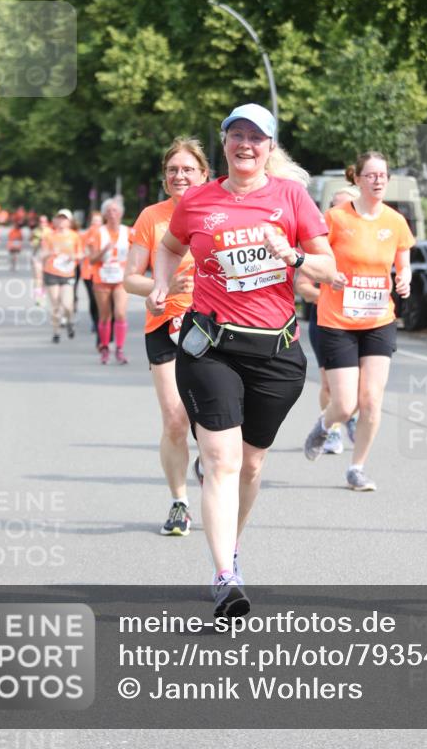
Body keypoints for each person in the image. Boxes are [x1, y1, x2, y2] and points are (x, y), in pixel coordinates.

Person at [147, 104, 335, 617]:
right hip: (211, 348)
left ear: (270, 147)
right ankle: (225, 577)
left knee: (251, 464)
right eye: (237, 135)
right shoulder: (198, 201)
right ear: (225, 143)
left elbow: (329, 268)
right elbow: (169, 247)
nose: (246, 144)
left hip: (275, 352)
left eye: (256, 137)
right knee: (222, 461)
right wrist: (162, 281)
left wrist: (293, 255)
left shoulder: (291, 197)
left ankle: (230, 548)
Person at [303, 152, 414, 490]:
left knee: (371, 400)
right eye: (371, 175)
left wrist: (404, 279)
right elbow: (311, 262)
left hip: (379, 319)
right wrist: (329, 275)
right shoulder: (335, 218)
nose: (378, 180)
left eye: (383, 175)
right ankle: (325, 425)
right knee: (345, 403)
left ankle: (357, 467)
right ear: (357, 179)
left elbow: (403, 264)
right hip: (338, 321)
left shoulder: (396, 221)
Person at [124, 137, 210, 537]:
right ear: (164, 178)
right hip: (166, 325)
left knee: (209, 419)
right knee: (175, 419)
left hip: (214, 325)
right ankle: (180, 503)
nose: (180, 176)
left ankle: (209, 457)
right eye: (173, 170)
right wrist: (162, 288)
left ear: (204, 174)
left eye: (188, 169)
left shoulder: (217, 213)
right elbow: (131, 279)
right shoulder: (151, 217)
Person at [298, 187, 360, 455]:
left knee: (360, 387)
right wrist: (328, 296)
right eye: (335, 205)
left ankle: (348, 415)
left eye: (346, 206)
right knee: (328, 384)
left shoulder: (366, 246)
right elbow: (303, 286)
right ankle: (332, 430)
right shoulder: (320, 245)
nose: (339, 211)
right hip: (327, 321)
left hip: (363, 323)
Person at [88, 198, 131, 365]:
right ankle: (105, 347)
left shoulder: (128, 232)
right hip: (102, 278)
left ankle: (119, 349)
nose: (112, 214)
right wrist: (104, 250)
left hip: (121, 279)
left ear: (121, 213)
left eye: (115, 210)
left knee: (120, 313)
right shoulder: (98, 233)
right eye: (109, 211)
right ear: (104, 214)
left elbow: (136, 254)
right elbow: (92, 259)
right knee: (105, 315)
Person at [39, 209, 81, 343]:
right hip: (51, 272)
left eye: (65, 219)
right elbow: (42, 255)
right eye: (60, 218)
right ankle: (56, 331)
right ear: (56, 221)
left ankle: (69, 321)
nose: (62, 221)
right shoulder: (49, 236)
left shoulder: (75, 236)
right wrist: (51, 252)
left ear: (69, 221)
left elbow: (81, 254)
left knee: (67, 305)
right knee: (55, 304)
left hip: (68, 273)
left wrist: (73, 257)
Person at [80, 211, 103, 345]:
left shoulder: (105, 234)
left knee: (103, 300)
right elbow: (82, 251)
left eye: (98, 221)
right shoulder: (85, 235)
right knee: (93, 299)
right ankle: (95, 321)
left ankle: (103, 322)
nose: (96, 224)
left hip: (102, 273)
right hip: (88, 272)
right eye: (94, 221)